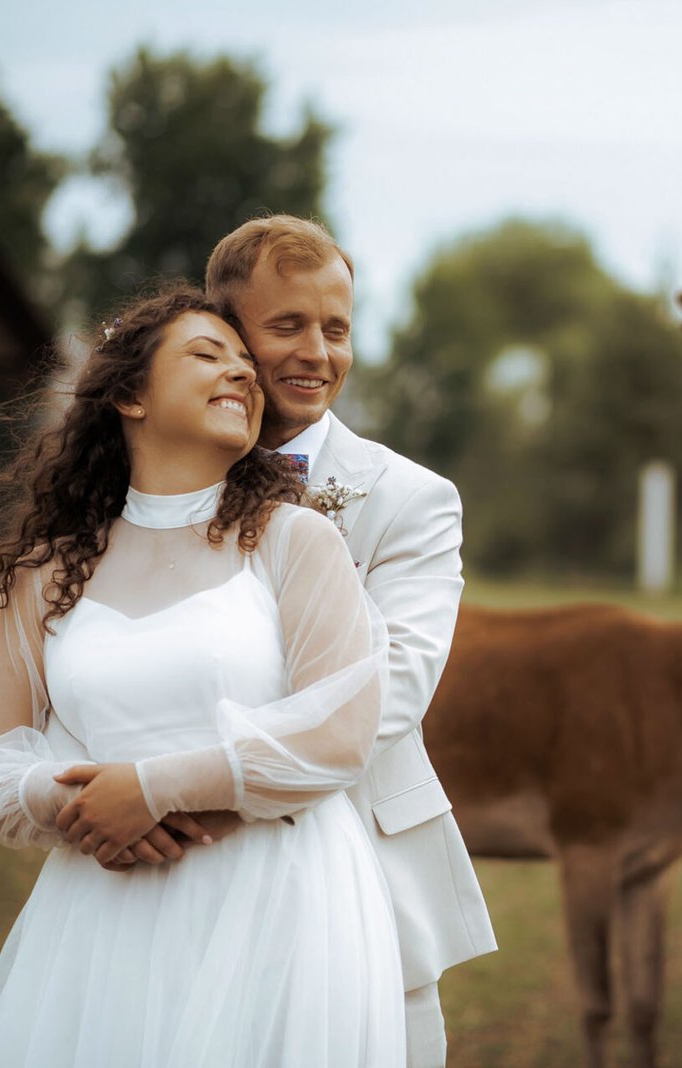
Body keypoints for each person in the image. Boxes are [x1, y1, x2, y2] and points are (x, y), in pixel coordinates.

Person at [0, 284, 406, 1066]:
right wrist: (75, 802)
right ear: (129, 394)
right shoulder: (47, 574)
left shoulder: (296, 543)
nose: (245, 375)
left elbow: (340, 734)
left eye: (247, 364)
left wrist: (155, 788)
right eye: (207, 355)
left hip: (279, 904)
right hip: (102, 917)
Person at [188, 214, 499, 1068]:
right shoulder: (159, 481)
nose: (316, 353)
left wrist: (196, 785)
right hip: (182, 869)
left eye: (337, 329)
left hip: (361, 858)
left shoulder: (410, 498)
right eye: (287, 325)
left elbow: (393, 689)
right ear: (227, 333)